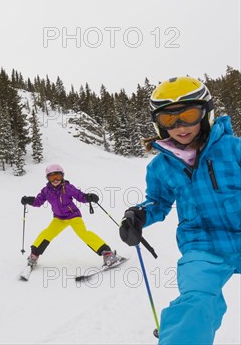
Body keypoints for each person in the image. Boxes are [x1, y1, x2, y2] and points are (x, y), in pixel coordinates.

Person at [119, 76, 240, 344]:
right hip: (202, 245)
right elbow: (158, 202)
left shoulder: (234, 150)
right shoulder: (160, 166)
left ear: (206, 113)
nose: (180, 126)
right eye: (169, 120)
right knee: (196, 302)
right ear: (158, 124)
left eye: (189, 115)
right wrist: (139, 215)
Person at [21, 163, 118, 267]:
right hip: (59, 218)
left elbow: (80, 196)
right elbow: (38, 202)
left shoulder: (68, 187)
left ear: (62, 176)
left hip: (73, 216)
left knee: (84, 234)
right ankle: (34, 255)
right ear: (47, 178)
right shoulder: (46, 191)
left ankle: (108, 254)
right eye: (52, 177)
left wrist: (88, 197)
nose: (55, 180)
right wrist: (29, 200)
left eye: (58, 176)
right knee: (46, 234)